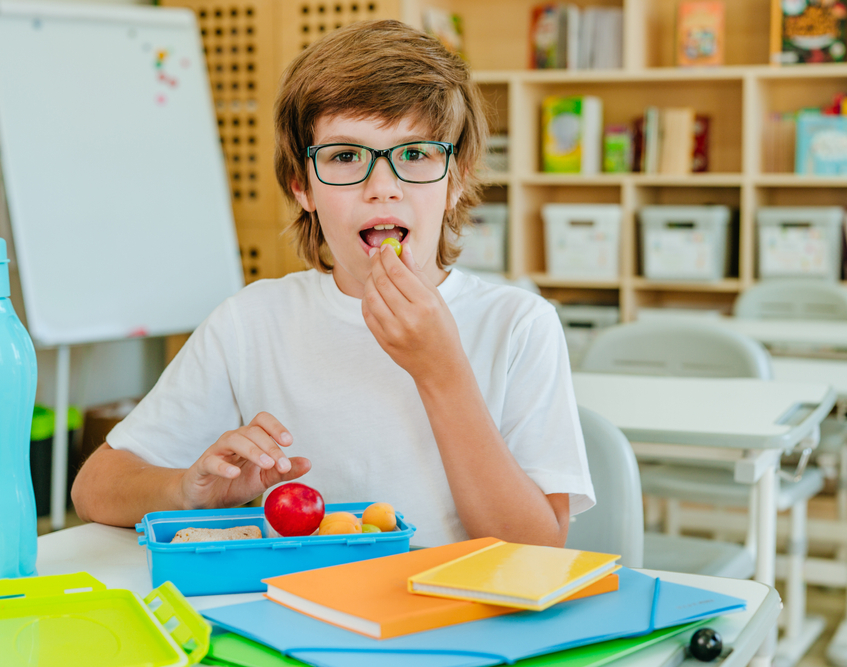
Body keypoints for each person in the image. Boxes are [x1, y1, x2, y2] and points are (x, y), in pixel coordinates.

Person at [72, 20, 593, 548]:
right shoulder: (252, 322)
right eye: (345, 156)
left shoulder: (519, 324)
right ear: (303, 187)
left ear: (455, 179)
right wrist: (189, 490)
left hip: (459, 621)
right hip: (295, 617)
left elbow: (537, 550)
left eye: (415, 154)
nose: (382, 187)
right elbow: (95, 488)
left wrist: (442, 371)